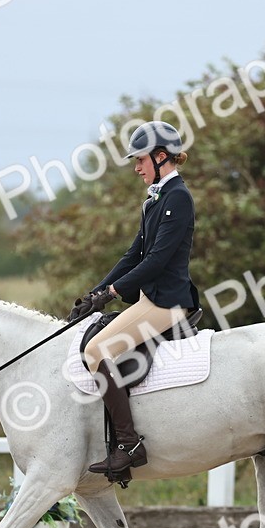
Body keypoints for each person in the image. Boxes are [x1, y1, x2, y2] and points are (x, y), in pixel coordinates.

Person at [72, 120, 201, 477]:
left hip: (167, 302)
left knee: (96, 351)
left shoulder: (178, 198)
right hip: (149, 299)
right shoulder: (154, 200)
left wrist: (113, 293)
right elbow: (133, 255)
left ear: (162, 157)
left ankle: (128, 443)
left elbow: (157, 261)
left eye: (141, 159)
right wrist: (97, 292)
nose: (136, 166)